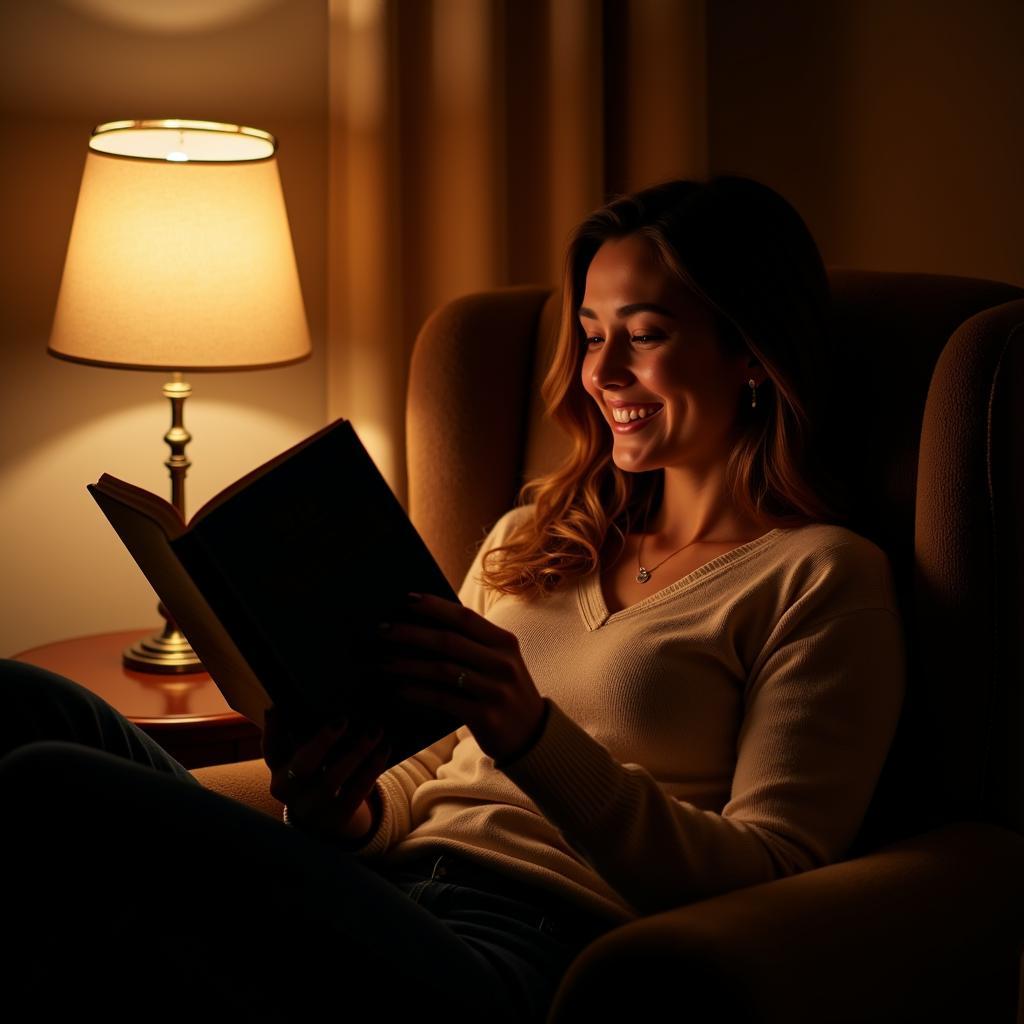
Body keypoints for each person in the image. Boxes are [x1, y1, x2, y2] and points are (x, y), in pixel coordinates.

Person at [1, 177, 905, 1021]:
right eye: (591, 335)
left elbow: (776, 869)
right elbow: (424, 774)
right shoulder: (532, 535)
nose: (603, 372)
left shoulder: (819, 576)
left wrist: (531, 732)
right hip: (379, 892)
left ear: (750, 351)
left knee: (49, 784)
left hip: (519, 948)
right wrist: (338, 806)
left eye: (646, 333)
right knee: (19, 702)